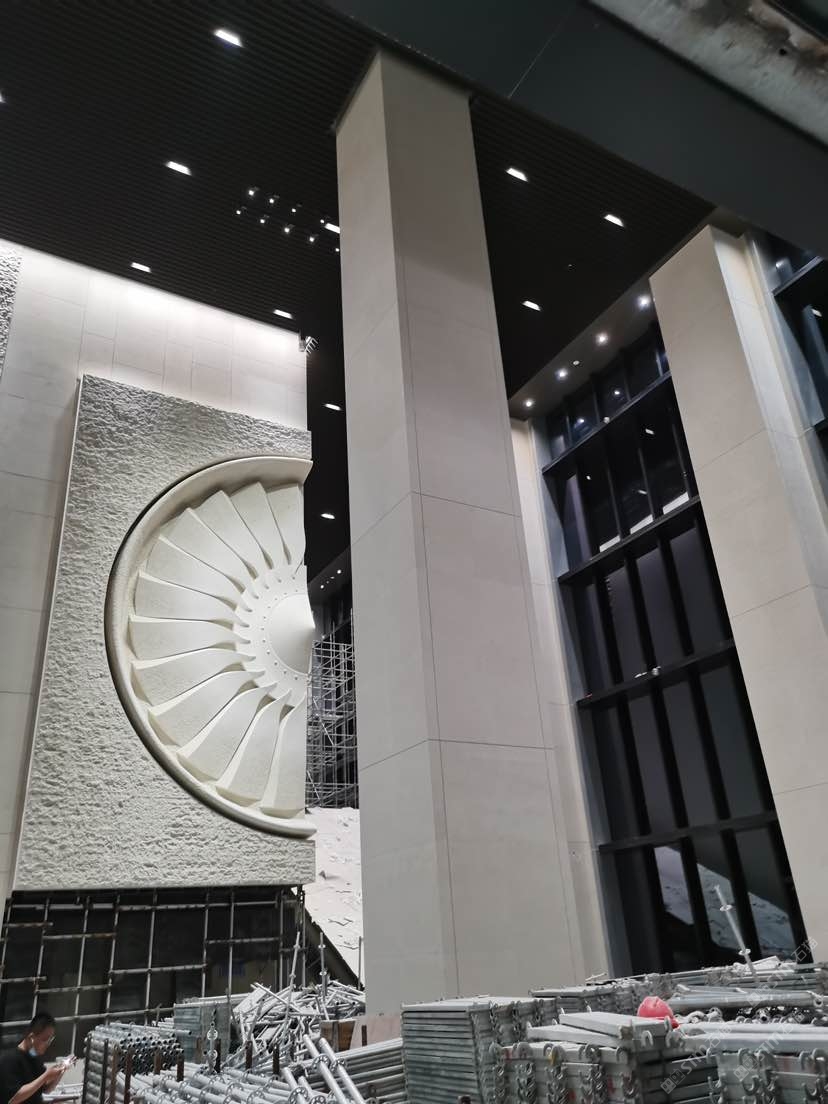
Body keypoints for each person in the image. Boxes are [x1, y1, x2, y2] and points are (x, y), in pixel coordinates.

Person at [0, 1012, 64, 1104]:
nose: (47, 1044)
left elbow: (46, 1089)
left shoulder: (35, 1058)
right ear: (31, 1037)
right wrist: (45, 1076)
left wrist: (61, 1071)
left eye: (50, 1040)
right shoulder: (10, 1060)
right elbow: (13, 1098)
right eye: (45, 1039)